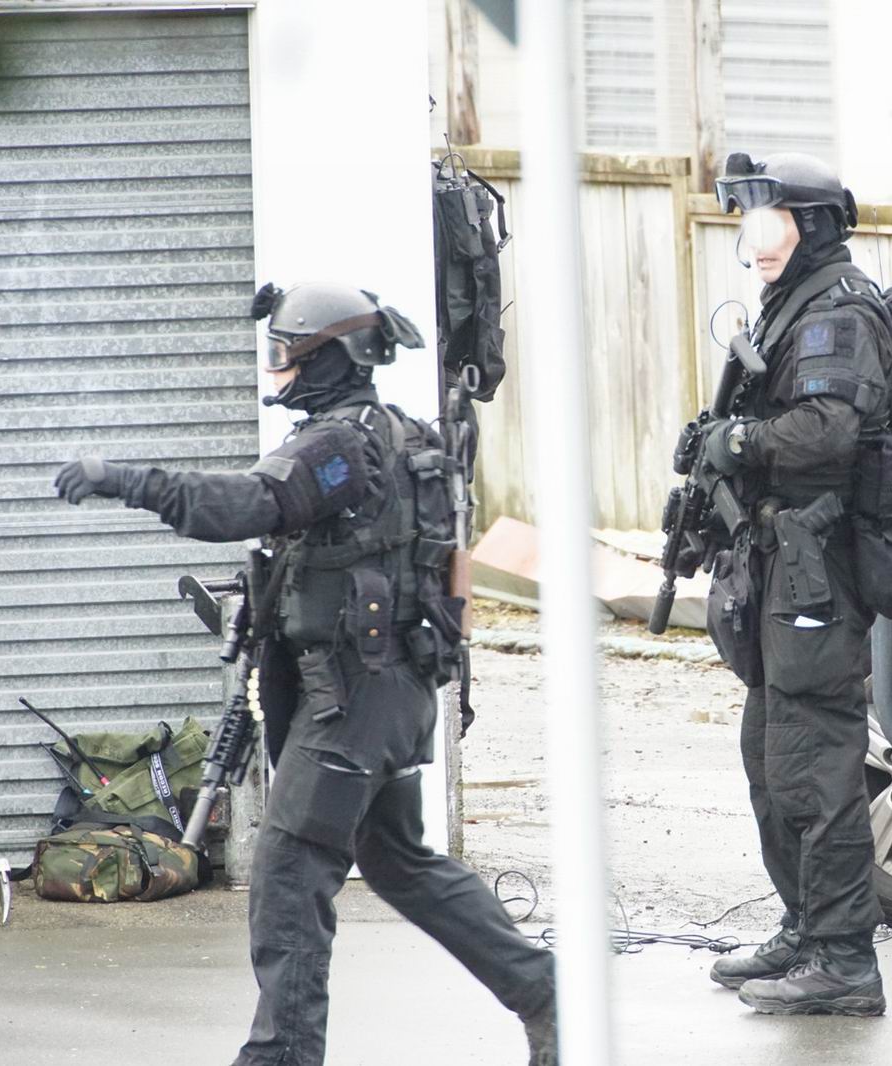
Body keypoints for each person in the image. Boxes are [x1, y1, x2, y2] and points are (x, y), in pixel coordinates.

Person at [54, 282, 558, 1066]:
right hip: (385, 693)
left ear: (333, 356)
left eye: (287, 353)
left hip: (350, 702)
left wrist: (129, 479)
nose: (277, 369)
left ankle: (282, 1055)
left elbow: (250, 503)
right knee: (401, 863)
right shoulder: (398, 433)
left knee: (289, 877)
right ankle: (551, 998)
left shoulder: (340, 447)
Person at [694, 152, 892, 1016]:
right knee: (770, 757)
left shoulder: (838, 314)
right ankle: (807, 927)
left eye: (766, 215)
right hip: (779, 565)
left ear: (808, 224)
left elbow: (826, 431)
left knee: (813, 761)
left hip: (818, 566)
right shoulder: (790, 306)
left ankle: (845, 962)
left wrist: (737, 444)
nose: (751, 233)